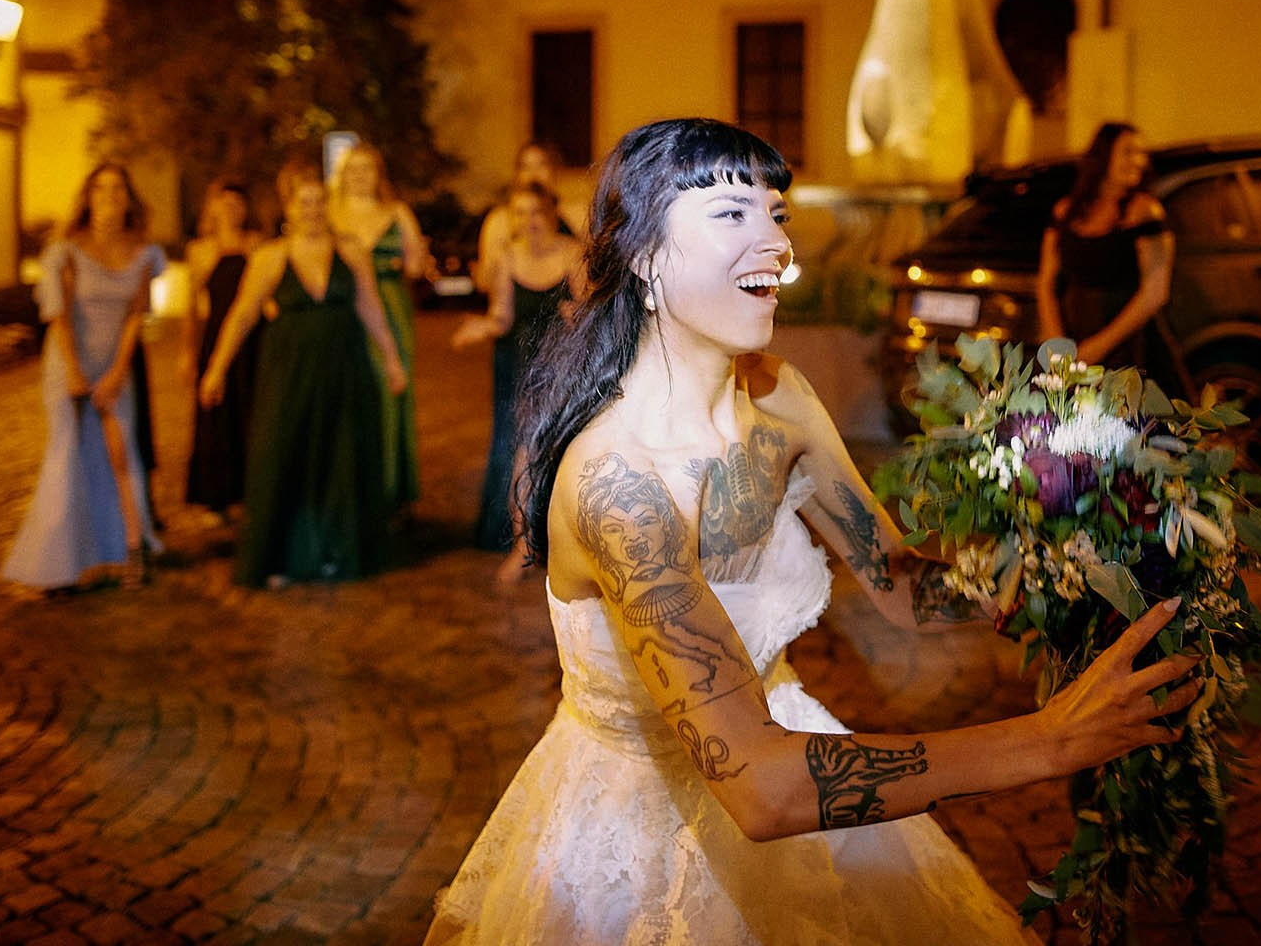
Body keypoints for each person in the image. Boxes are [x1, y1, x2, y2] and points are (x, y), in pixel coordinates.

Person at [426, 119, 1201, 944]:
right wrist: (1045, 742)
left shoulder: (781, 397)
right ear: (644, 258)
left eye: (777, 214)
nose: (776, 247)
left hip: (788, 737)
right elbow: (762, 788)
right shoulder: (620, 483)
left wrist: (1071, 570)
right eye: (732, 215)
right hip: (642, 834)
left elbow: (902, 588)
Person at [199, 161, 407, 588]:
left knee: (340, 458)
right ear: (288, 209)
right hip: (289, 373)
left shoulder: (350, 252)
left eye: (318, 202)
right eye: (303, 203)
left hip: (343, 369)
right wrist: (216, 368)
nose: (311, 210)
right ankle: (286, 556)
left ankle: (338, 551)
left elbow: (370, 308)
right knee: (284, 455)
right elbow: (241, 316)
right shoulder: (270, 257)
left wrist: (391, 360)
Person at [3, 164, 164, 591]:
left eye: (118, 189)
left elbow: (137, 316)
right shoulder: (67, 250)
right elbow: (58, 315)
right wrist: (75, 370)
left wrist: (116, 372)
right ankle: (59, 564)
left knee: (120, 452)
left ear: (128, 198)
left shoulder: (144, 253)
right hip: (69, 362)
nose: (110, 197)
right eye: (101, 189)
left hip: (115, 365)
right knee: (68, 454)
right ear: (88, 197)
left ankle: (132, 547)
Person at [451, 181, 582, 586]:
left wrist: (576, 311)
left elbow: (594, 310)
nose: (529, 222)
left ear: (549, 214)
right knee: (524, 457)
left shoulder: (573, 254)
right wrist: (478, 329)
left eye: (536, 213)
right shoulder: (508, 258)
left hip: (566, 368)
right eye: (520, 214)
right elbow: (502, 317)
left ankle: (577, 548)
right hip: (527, 370)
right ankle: (523, 548)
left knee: (571, 458)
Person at [1035, 122, 1190, 393]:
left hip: (1127, 341)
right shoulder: (1065, 211)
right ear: (1103, 156)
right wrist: (1055, 340)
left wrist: (1099, 346)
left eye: (1142, 154)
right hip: (1072, 329)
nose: (1138, 162)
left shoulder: (1144, 211)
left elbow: (1155, 292)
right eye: (1128, 152)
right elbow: (1046, 281)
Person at [329, 142, 427, 512]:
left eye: (366, 168)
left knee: (390, 391)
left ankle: (388, 488)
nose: (359, 176)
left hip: (391, 305)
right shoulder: (332, 213)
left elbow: (417, 266)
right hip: (346, 309)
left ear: (378, 174)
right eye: (352, 169)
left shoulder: (396, 213)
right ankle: (350, 483)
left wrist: (412, 254)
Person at [184, 178, 263, 519]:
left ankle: (251, 491)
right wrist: (187, 352)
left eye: (237, 203)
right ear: (213, 207)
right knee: (215, 418)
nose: (231, 209)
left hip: (254, 340)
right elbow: (192, 308)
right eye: (224, 202)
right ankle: (216, 498)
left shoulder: (257, 245)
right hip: (215, 338)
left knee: (251, 413)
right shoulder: (200, 251)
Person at [473, 140, 579, 292]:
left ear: (554, 171)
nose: (533, 174)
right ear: (517, 174)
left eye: (541, 165)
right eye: (526, 167)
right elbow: (484, 282)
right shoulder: (500, 220)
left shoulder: (576, 214)